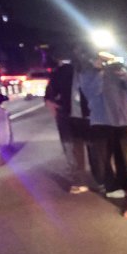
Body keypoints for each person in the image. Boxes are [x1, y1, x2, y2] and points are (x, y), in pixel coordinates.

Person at [79, 53, 127, 198]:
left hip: (121, 120)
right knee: (104, 157)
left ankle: (125, 182)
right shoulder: (88, 74)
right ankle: (110, 186)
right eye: (99, 59)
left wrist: (124, 74)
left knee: (122, 154)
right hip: (101, 121)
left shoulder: (115, 72)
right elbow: (91, 92)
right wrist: (99, 73)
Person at [44, 55, 92, 193]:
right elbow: (50, 93)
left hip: (87, 115)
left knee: (94, 151)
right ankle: (80, 181)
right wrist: (52, 103)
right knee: (72, 149)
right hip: (68, 116)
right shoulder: (62, 72)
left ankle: (98, 179)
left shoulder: (91, 71)